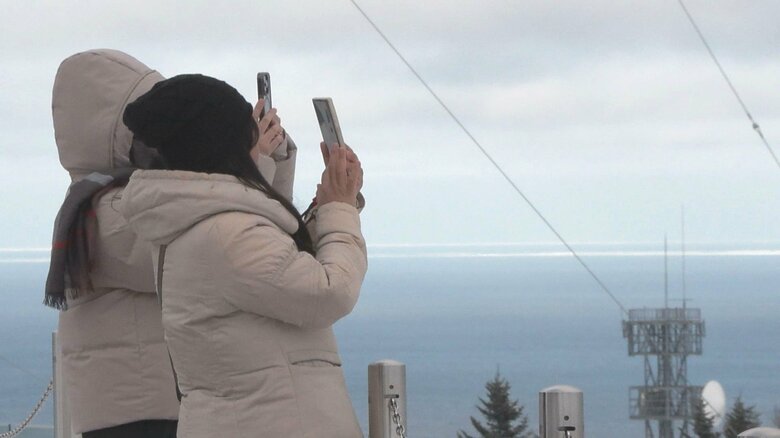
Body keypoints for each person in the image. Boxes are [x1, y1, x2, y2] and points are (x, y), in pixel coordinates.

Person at [119, 74, 367, 437]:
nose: (257, 144)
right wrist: (340, 208)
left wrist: (327, 206)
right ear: (225, 145)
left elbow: (279, 261)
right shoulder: (228, 234)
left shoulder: (197, 222)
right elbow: (329, 291)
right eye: (249, 134)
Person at [46, 50, 179, 437]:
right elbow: (184, 255)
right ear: (113, 129)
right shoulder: (107, 211)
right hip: (139, 408)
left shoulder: (95, 201)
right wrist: (250, 167)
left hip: (136, 404)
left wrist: (267, 162)